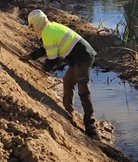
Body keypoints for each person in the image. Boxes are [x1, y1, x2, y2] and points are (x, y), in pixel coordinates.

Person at [20, 9, 99, 139]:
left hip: (83, 57)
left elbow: (53, 59)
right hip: (78, 57)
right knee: (68, 81)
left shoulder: (47, 32)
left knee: (83, 91)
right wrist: (30, 57)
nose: (33, 29)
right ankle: (69, 113)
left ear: (37, 23)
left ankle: (92, 129)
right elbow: (46, 48)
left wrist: (44, 69)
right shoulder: (51, 27)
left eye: (32, 26)